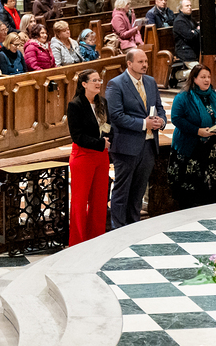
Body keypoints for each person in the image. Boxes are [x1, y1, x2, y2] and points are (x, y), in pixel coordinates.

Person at [105, 48, 165, 228]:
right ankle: (118, 228)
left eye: (145, 61)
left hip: (148, 145)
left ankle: (134, 227)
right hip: (126, 146)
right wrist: (143, 123)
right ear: (129, 63)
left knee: (138, 191)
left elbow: (159, 107)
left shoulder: (150, 81)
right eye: (140, 62)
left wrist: (161, 121)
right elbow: (116, 115)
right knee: (122, 191)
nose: (145, 65)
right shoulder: (116, 84)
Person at [170, 64, 216, 207]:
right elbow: (176, 119)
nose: (207, 80)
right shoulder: (183, 97)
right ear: (194, 79)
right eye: (203, 77)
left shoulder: (214, 96)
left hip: (211, 151)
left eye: (208, 77)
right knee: (190, 195)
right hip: (190, 150)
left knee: (209, 194)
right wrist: (198, 131)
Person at [66, 69, 111, 245]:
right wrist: (100, 143)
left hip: (101, 156)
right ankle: (78, 242)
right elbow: (77, 136)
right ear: (84, 84)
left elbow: (108, 126)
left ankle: (96, 239)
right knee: (80, 201)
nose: (98, 83)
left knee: (99, 200)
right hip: (83, 156)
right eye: (94, 80)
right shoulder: (75, 105)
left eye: (99, 80)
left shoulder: (103, 102)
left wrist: (108, 140)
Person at [173, 0, 200, 66]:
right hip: (185, 54)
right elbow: (190, 36)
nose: (189, 7)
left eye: (190, 5)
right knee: (198, 70)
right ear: (181, 9)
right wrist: (196, 31)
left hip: (194, 52)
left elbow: (198, 28)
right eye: (187, 6)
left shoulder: (190, 19)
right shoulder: (179, 21)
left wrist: (195, 31)